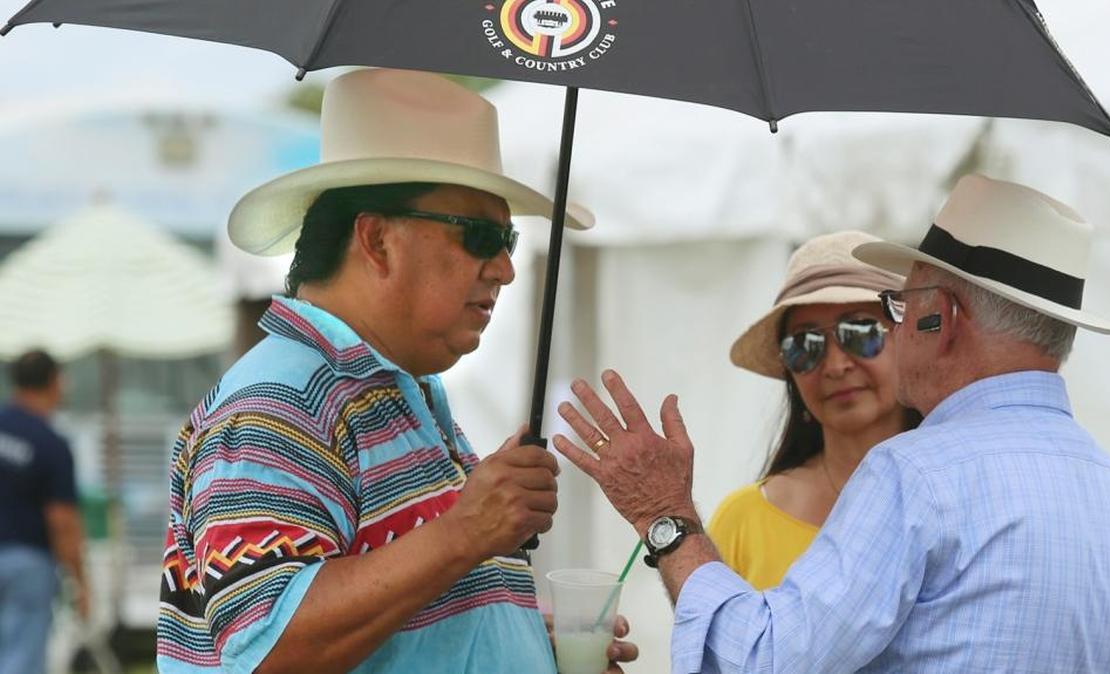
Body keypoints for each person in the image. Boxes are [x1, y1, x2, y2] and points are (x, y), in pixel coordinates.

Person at [554, 174, 1110, 672]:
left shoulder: (915, 474)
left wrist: (665, 517)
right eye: (806, 346)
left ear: (942, 318)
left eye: (892, 312)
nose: (845, 359)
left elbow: (765, 661)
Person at [156, 68, 636, 674]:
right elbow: (271, 649)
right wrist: (467, 531)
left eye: (509, 239)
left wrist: (518, 633)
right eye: (483, 236)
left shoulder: (391, 391)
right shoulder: (276, 407)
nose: (505, 269)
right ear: (378, 241)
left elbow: (398, 609)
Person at [709, 231, 921, 591]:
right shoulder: (742, 520)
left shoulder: (959, 502)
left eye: (859, 331)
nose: (835, 366)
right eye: (805, 345)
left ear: (909, 340)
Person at [0, 349, 89, 674]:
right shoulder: (50, 443)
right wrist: (81, 583)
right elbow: (62, 521)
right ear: (54, 382)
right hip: (28, 564)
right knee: (20, 659)